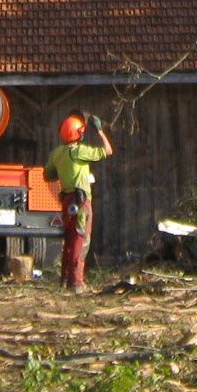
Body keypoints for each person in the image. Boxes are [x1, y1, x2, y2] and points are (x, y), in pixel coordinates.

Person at [43, 112, 113, 294]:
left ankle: (65, 279)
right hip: (80, 201)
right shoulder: (79, 151)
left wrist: (65, 173)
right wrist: (99, 131)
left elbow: (48, 175)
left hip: (67, 199)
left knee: (69, 239)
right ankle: (76, 282)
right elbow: (107, 150)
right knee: (80, 239)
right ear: (79, 133)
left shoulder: (56, 153)